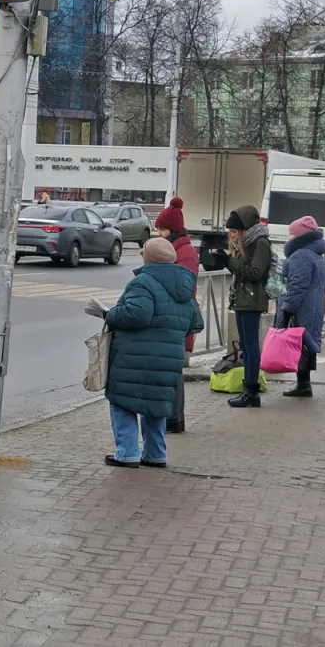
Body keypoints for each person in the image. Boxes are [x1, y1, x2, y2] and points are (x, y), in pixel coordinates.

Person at [103, 237, 199, 468]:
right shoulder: (184, 285)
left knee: (123, 401)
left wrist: (110, 314)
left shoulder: (143, 282)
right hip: (168, 361)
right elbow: (195, 323)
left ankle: (127, 453)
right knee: (155, 404)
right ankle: (156, 454)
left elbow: (137, 314)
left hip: (135, 358)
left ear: (148, 258)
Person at [153, 197, 199, 434]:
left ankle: (174, 419)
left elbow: (183, 288)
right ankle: (173, 418)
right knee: (172, 369)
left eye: (162, 230)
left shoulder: (185, 252)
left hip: (177, 320)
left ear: (172, 230)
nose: (159, 234)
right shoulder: (179, 249)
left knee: (173, 370)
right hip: (175, 319)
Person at [224, 205, 272, 409]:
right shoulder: (247, 242)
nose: (232, 235)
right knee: (246, 345)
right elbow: (243, 270)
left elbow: (255, 272)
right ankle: (248, 389)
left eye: (235, 231)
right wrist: (226, 260)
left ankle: (251, 391)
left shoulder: (260, 242)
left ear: (245, 228)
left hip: (252, 300)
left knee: (251, 346)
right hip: (243, 299)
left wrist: (230, 262)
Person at [276, 215, 325, 398]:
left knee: (301, 342)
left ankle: (303, 385)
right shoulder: (315, 254)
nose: (289, 237)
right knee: (306, 342)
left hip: (302, 306)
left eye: (292, 234)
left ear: (300, 236)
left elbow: (297, 286)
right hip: (313, 305)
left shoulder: (301, 256)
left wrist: (287, 309)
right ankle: (304, 383)